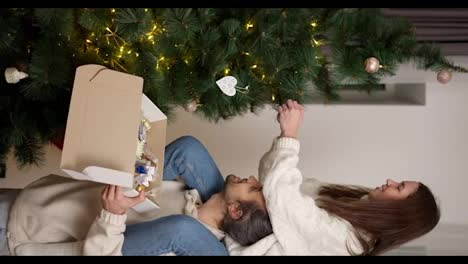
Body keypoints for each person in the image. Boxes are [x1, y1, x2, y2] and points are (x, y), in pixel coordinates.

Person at [225, 99, 440, 256]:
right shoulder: (348, 202)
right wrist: (284, 136)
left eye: (399, 187)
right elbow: (272, 182)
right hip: (231, 224)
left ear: (399, 214)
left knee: (189, 152)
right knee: (190, 150)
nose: (390, 181)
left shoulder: (347, 242)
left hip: (231, 247)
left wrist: (290, 135)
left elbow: (282, 198)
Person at [5, 136, 272, 255]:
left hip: (20, 236)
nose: (253, 179)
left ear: (236, 210)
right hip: (34, 196)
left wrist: (113, 215)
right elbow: (185, 152)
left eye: (255, 189)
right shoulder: (191, 193)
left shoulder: (178, 247)